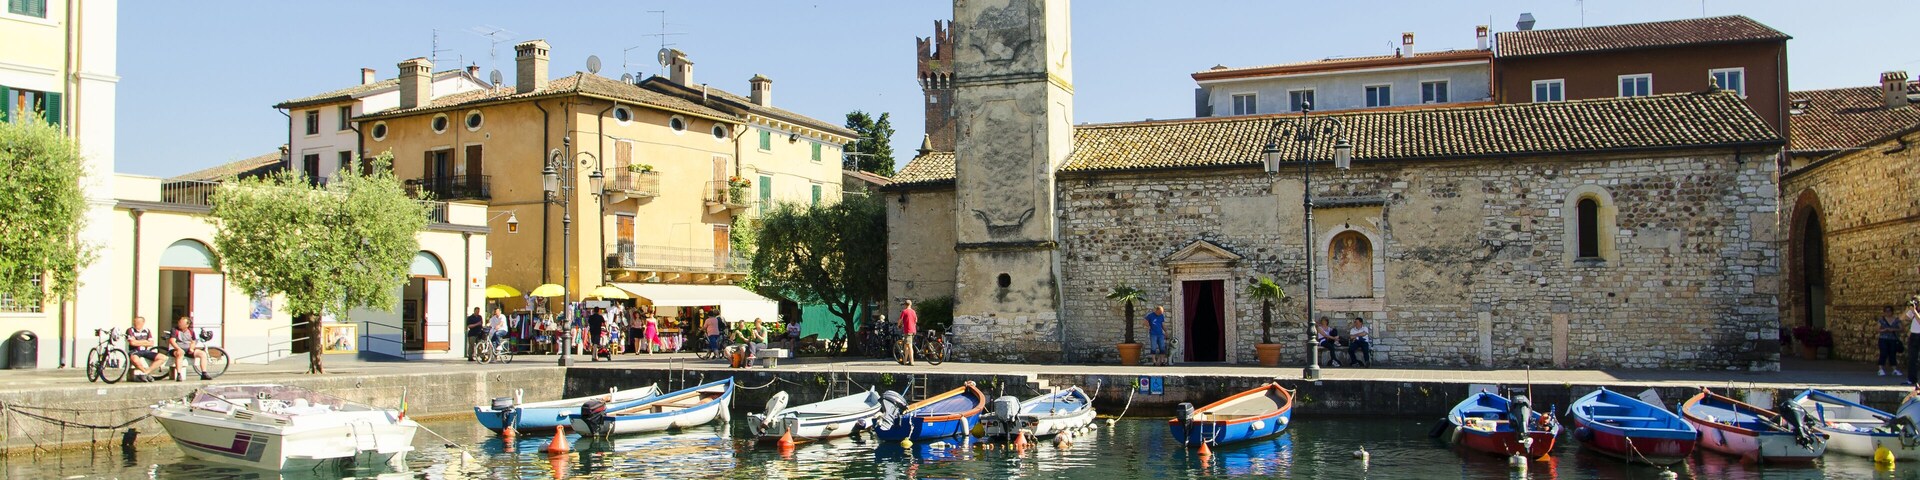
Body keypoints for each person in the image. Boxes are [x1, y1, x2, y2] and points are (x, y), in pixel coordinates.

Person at [168, 316, 210, 381]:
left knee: (202, 354)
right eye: (179, 322)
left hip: (187, 349)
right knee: (180, 353)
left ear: (187, 325)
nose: (179, 324)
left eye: (181, 323)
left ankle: (204, 373)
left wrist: (191, 348)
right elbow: (172, 341)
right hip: (176, 349)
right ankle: (179, 374)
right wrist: (178, 348)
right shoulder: (175, 330)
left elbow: (193, 342)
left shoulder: (191, 331)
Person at [126, 316, 159, 382]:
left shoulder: (147, 330)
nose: (135, 323)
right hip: (135, 351)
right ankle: (146, 373)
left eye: (137, 322)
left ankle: (145, 373)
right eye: (134, 322)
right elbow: (132, 343)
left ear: (143, 323)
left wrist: (138, 342)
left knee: (163, 357)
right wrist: (145, 342)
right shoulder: (130, 330)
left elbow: (151, 343)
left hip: (145, 351)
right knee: (134, 359)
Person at [1880, 306, 1905, 377]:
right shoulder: (1881, 320)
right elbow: (1877, 329)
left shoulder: (1896, 320)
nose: (1888, 313)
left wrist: (1893, 329)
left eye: (1889, 311)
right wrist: (1884, 330)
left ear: (1892, 312)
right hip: (1883, 338)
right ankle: (1880, 368)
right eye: (1886, 311)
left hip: (1893, 339)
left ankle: (1894, 369)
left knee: (1892, 354)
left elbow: (1902, 328)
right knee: (1883, 353)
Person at [899, 300, 919, 366]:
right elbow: (916, 320)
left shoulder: (904, 311)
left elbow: (900, 320)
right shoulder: (913, 312)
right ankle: (905, 361)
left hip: (908, 330)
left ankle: (912, 361)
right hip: (913, 330)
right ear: (911, 304)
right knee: (906, 345)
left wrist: (899, 325)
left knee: (909, 346)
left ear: (905, 305)